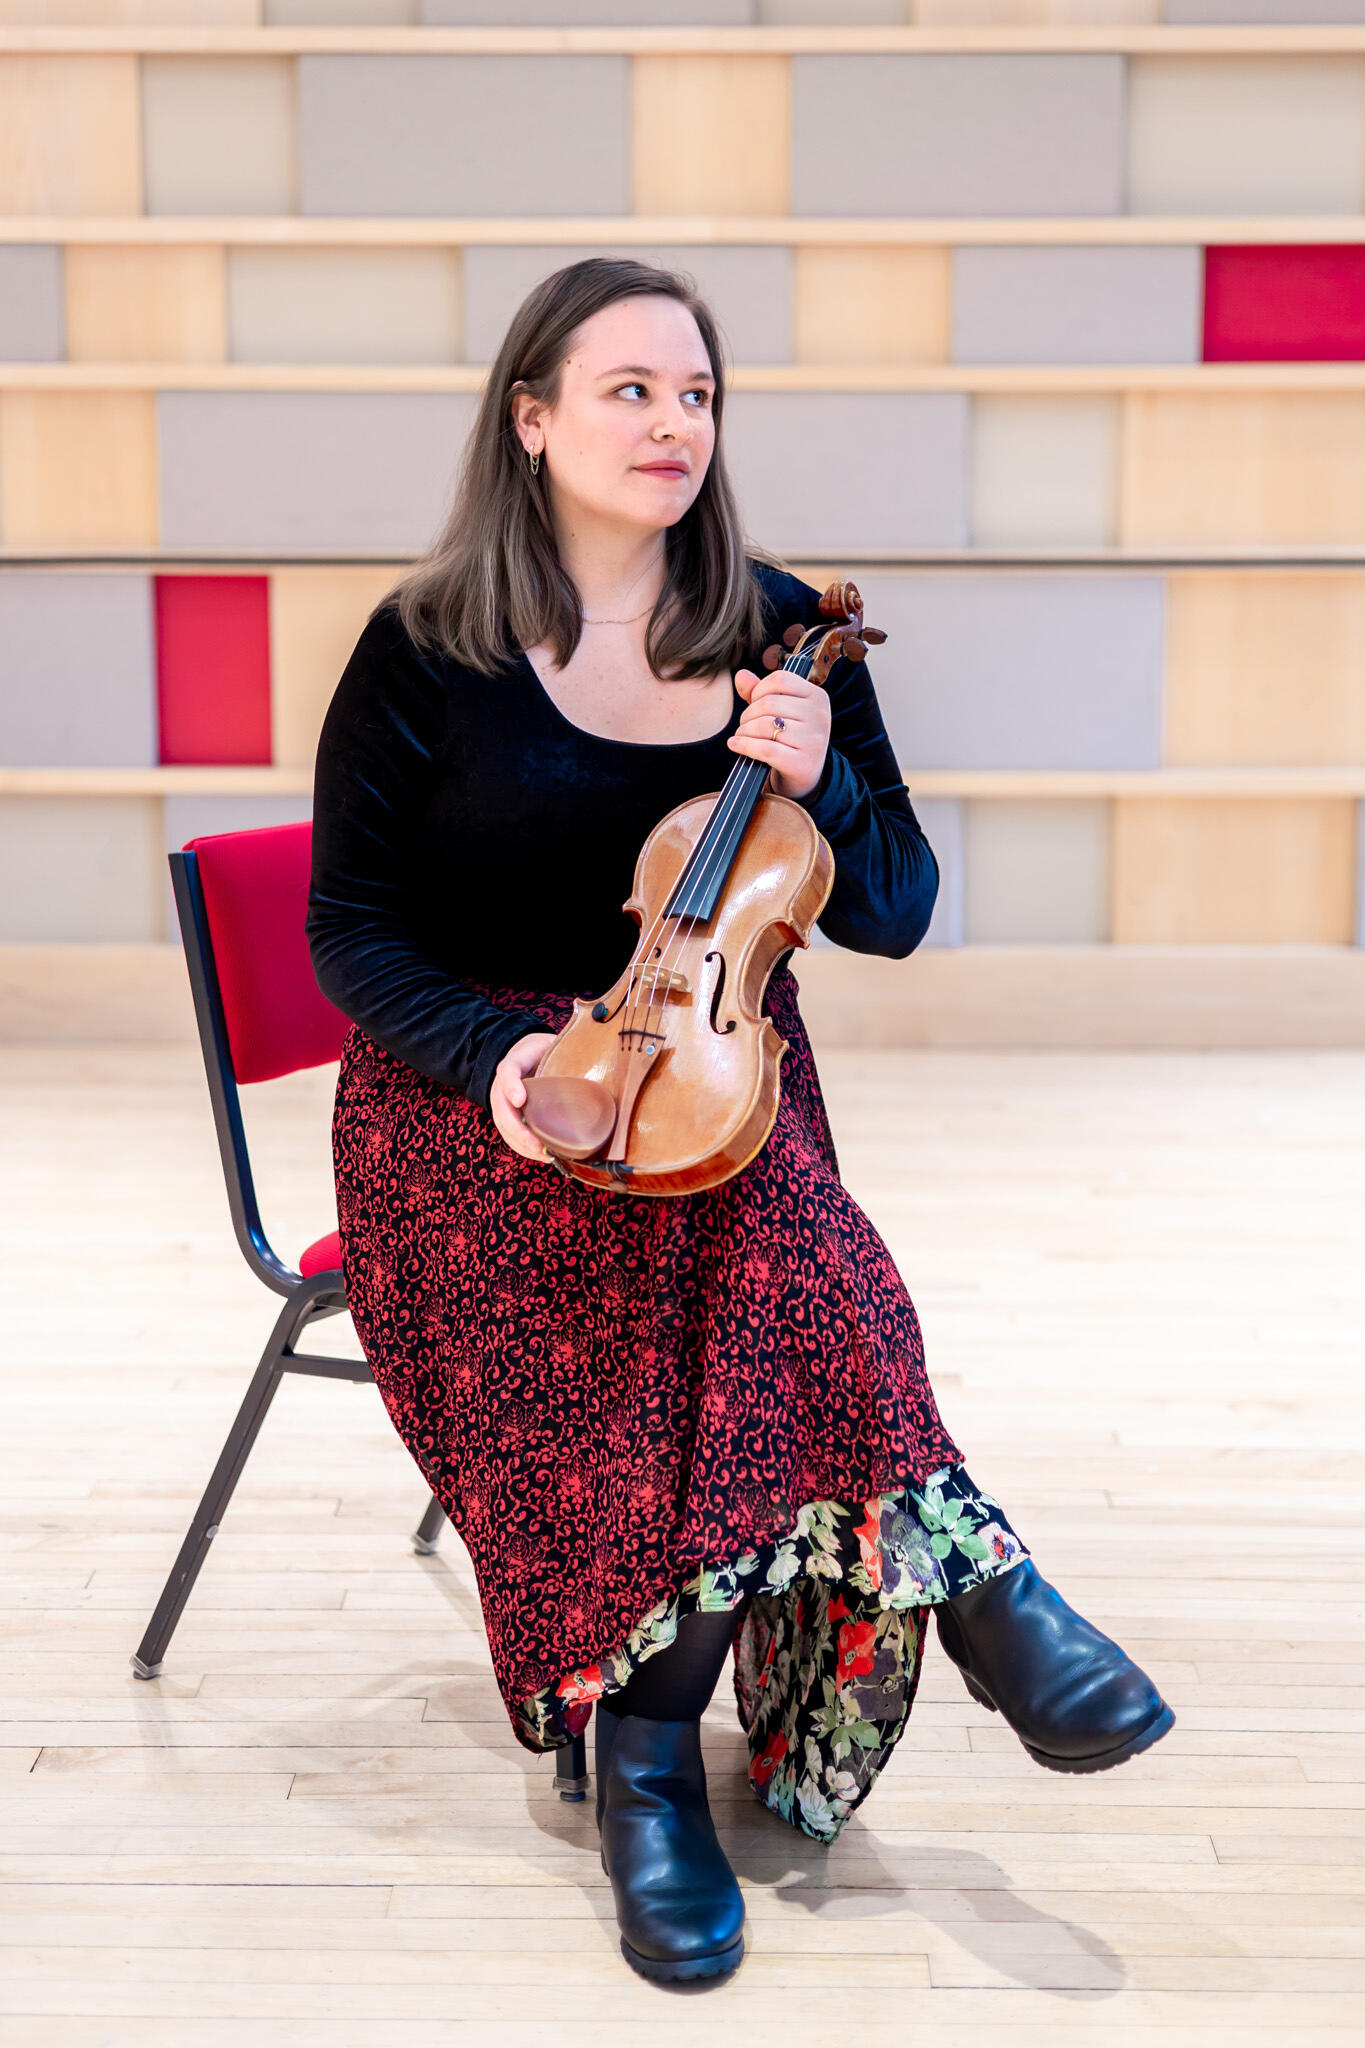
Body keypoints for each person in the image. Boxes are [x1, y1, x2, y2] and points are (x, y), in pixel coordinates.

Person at [306, 257, 1173, 1987]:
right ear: (531, 419)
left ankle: (648, 1760)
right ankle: (974, 1587)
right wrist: (500, 1060)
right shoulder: (426, 646)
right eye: (627, 389)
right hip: (469, 1098)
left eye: (694, 393)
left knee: (744, 1227)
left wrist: (820, 775)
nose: (671, 423)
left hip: (718, 1079)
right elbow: (349, 931)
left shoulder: (780, 634)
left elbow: (895, 911)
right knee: (745, 1260)